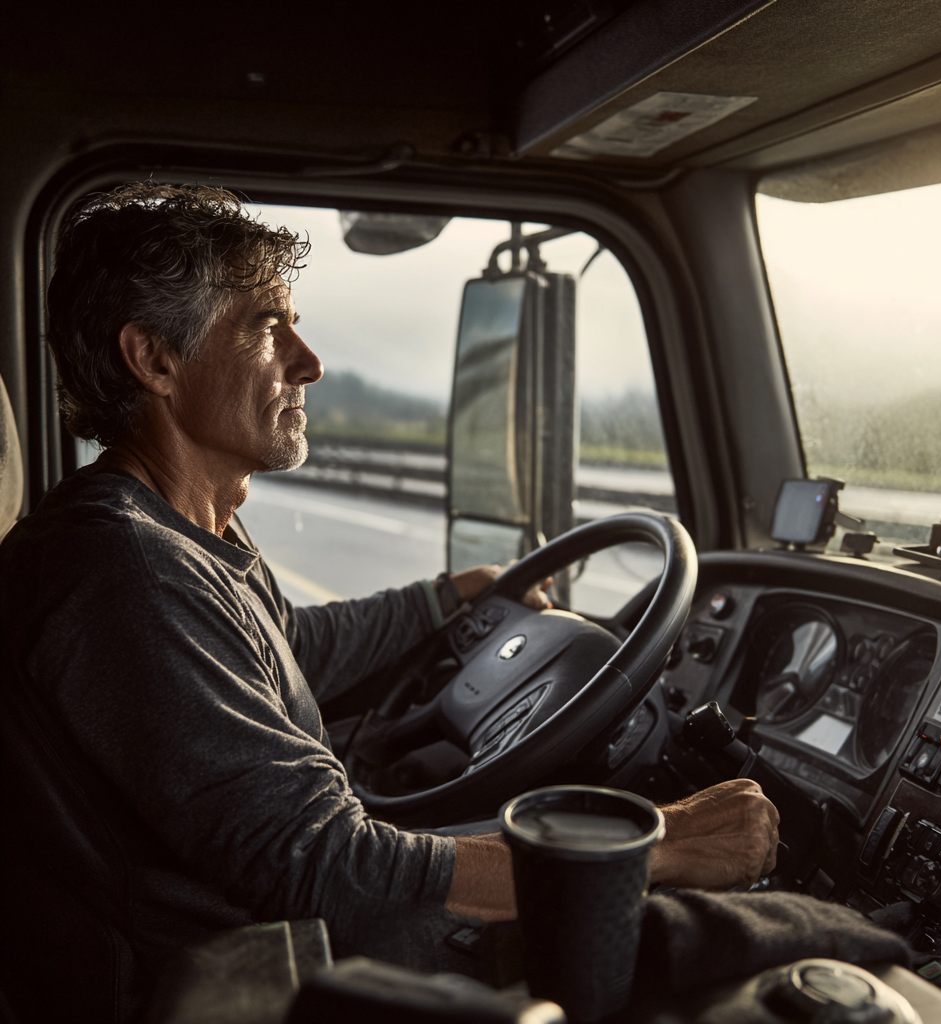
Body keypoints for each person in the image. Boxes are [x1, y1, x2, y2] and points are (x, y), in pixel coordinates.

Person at [0, 183, 779, 1023]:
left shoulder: (175, 533)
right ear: (154, 360)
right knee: (766, 961)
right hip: (258, 984)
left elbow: (288, 647)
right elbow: (329, 864)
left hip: (274, 942)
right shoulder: (129, 573)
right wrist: (654, 847)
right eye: (267, 327)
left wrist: (445, 596)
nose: (310, 361)